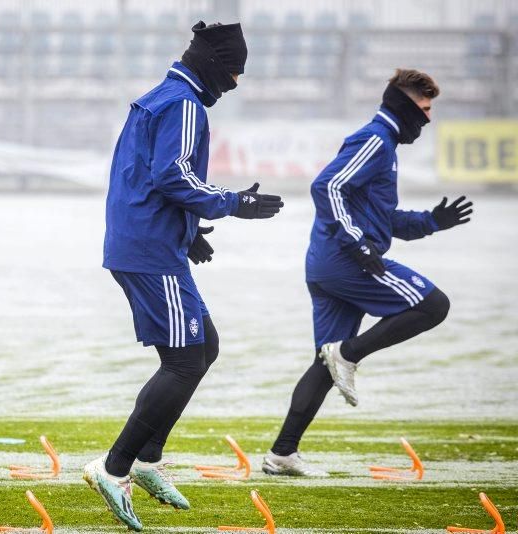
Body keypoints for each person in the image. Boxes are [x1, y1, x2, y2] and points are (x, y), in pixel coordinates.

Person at [83, 22, 284, 531]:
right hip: (149, 250)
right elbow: (172, 174)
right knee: (185, 359)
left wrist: (189, 229)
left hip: (145, 241)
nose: (236, 82)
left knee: (204, 346)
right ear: (214, 65)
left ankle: (148, 459)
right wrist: (236, 203)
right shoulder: (185, 104)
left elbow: (141, 173)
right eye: (235, 71)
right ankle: (114, 468)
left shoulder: (160, 95)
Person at [262, 69, 473, 477]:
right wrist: (358, 243)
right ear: (406, 105)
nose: (428, 120)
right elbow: (327, 187)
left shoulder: (385, 146)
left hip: (330, 264)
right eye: (425, 110)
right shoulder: (376, 139)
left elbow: (381, 217)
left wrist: (431, 221)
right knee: (433, 305)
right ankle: (349, 354)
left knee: (324, 365)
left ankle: (282, 453)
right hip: (345, 262)